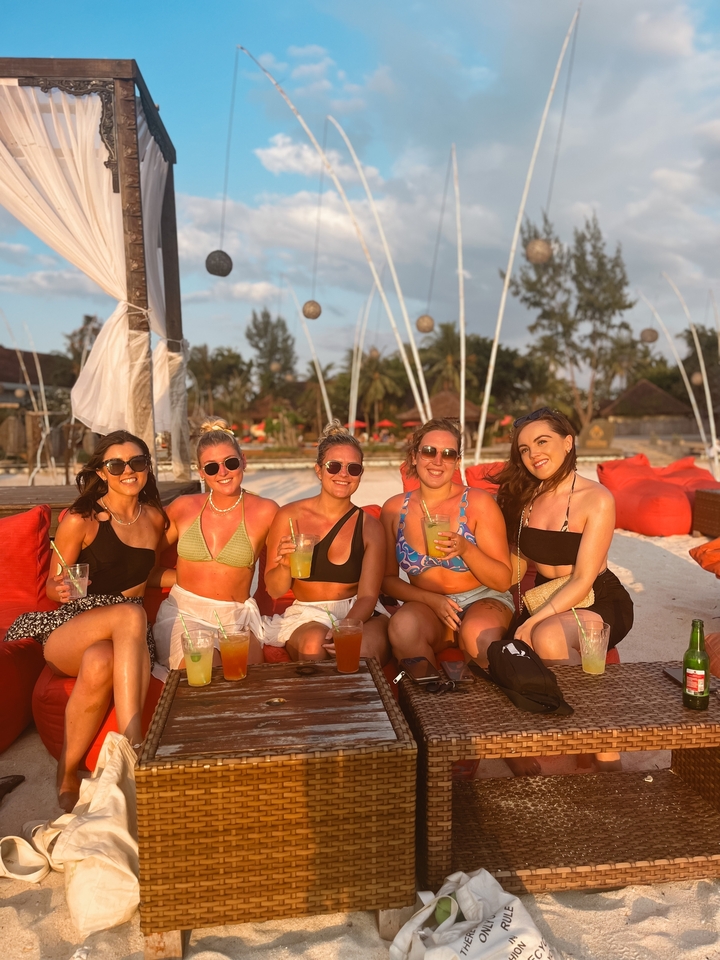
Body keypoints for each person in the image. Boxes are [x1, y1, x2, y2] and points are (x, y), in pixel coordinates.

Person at [5, 431, 167, 811]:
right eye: (116, 464)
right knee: (129, 613)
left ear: (147, 467)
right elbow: (53, 586)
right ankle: (133, 748)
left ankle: (67, 769)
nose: (129, 471)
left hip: (126, 636)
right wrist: (58, 589)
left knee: (101, 659)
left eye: (138, 462)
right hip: (75, 623)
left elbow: (145, 576)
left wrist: (203, 577)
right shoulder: (82, 518)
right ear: (102, 471)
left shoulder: (156, 519)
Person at [495, 408, 634, 771]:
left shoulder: (596, 498)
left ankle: (603, 750)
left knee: (547, 635)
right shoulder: (523, 498)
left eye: (542, 442)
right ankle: (582, 748)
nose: (533, 454)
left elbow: (583, 579)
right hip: (545, 596)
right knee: (536, 634)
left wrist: (531, 621)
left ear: (568, 442)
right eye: (524, 448)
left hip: (598, 598)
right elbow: (517, 566)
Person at [381, 418, 514, 667]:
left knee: (477, 634)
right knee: (403, 627)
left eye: (448, 454)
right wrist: (432, 600)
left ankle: (483, 704)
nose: (438, 461)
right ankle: (427, 701)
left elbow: (502, 580)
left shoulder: (479, 503)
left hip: (482, 598)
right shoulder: (394, 509)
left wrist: (465, 548)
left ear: (457, 462)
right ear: (414, 456)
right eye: (429, 451)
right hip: (428, 605)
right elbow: (388, 581)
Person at [151, 418, 278, 672]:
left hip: (237, 616)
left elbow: (280, 574)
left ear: (243, 461)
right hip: (186, 613)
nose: (222, 473)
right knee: (208, 671)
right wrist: (185, 579)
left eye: (230, 463)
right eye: (211, 468)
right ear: (200, 472)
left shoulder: (266, 511)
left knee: (247, 684)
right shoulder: (183, 508)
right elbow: (143, 562)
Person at [264, 421, 389, 663]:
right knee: (314, 645)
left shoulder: (370, 527)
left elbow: (367, 596)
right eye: (334, 466)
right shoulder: (289, 517)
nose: (344, 474)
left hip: (359, 611)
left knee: (358, 650)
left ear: (360, 474)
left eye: (353, 468)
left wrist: (348, 627)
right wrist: (285, 565)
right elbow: (275, 590)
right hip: (308, 613)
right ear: (319, 470)